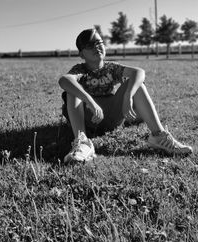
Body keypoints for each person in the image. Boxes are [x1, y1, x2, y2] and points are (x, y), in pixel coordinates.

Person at [58, 28, 193, 164]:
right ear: (81, 54)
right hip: (89, 119)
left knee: (136, 84)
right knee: (71, 90)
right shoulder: (80, 70)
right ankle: (82, 142)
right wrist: (90, 101)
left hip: (111, 117)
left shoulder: (111, 68)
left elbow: (139, 72)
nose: (96, 47)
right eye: (89, 45)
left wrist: (128, 94)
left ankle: (158, 136)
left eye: (99, 43)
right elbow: (64, 80)